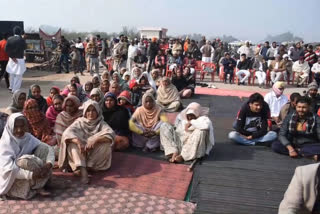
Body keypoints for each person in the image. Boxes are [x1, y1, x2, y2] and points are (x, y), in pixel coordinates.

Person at [58, 100, 115, 184]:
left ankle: (89, 165)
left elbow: (111, 134)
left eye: (93, 110)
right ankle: (83, 170)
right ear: (84, 112)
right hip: (81, 151)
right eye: (88, 110)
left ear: (98, 112)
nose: (91, 113)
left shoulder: (101, 123)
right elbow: (67, 133)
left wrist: (95, 140)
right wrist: (78, 142)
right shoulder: (79, 122)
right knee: (72, 144)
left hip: (92, 152)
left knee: (106, 144)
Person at [0, 113, 55, 199]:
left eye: (22, 126)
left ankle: (38, 185)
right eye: (16, 127)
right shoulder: (5, 144)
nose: (19, 130)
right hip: (12, 178)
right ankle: (34, 186)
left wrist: (48, 164)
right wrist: (30, 175)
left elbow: (48, 149)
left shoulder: (27, 137)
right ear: (10, 127)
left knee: (43, 148)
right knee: (24, 161)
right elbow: (9, 169)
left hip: (31, 172)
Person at [5, 26, 27, 92]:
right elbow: (25, 47)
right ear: (20, 32)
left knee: (11, 74)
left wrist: (12, 57)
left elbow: (6, 49)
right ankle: (15, 90)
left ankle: (11, 87)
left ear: (13, 32)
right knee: (18, 75)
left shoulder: (9, 39)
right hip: (19, 59)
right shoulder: (21, 40)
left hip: (11, 59)